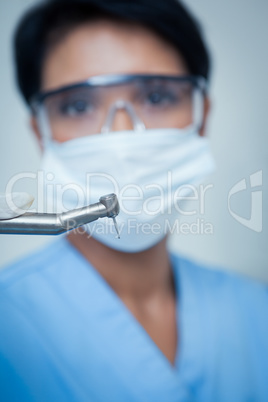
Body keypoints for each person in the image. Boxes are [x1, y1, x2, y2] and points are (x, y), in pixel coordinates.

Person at [0, 0, 267, 401]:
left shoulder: (256, 312)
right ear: (41, 134)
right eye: (78, 106)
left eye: (156, 97)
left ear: (202, 117)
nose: (122, 135)